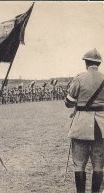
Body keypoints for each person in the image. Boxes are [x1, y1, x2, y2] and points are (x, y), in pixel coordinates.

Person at [65, 48, 104, 193]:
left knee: (79, 164)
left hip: (81, 126)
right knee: (99, 165)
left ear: (86, 63)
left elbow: (69, 102)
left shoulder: (79, 79)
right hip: (101, 127)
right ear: (98, 64)